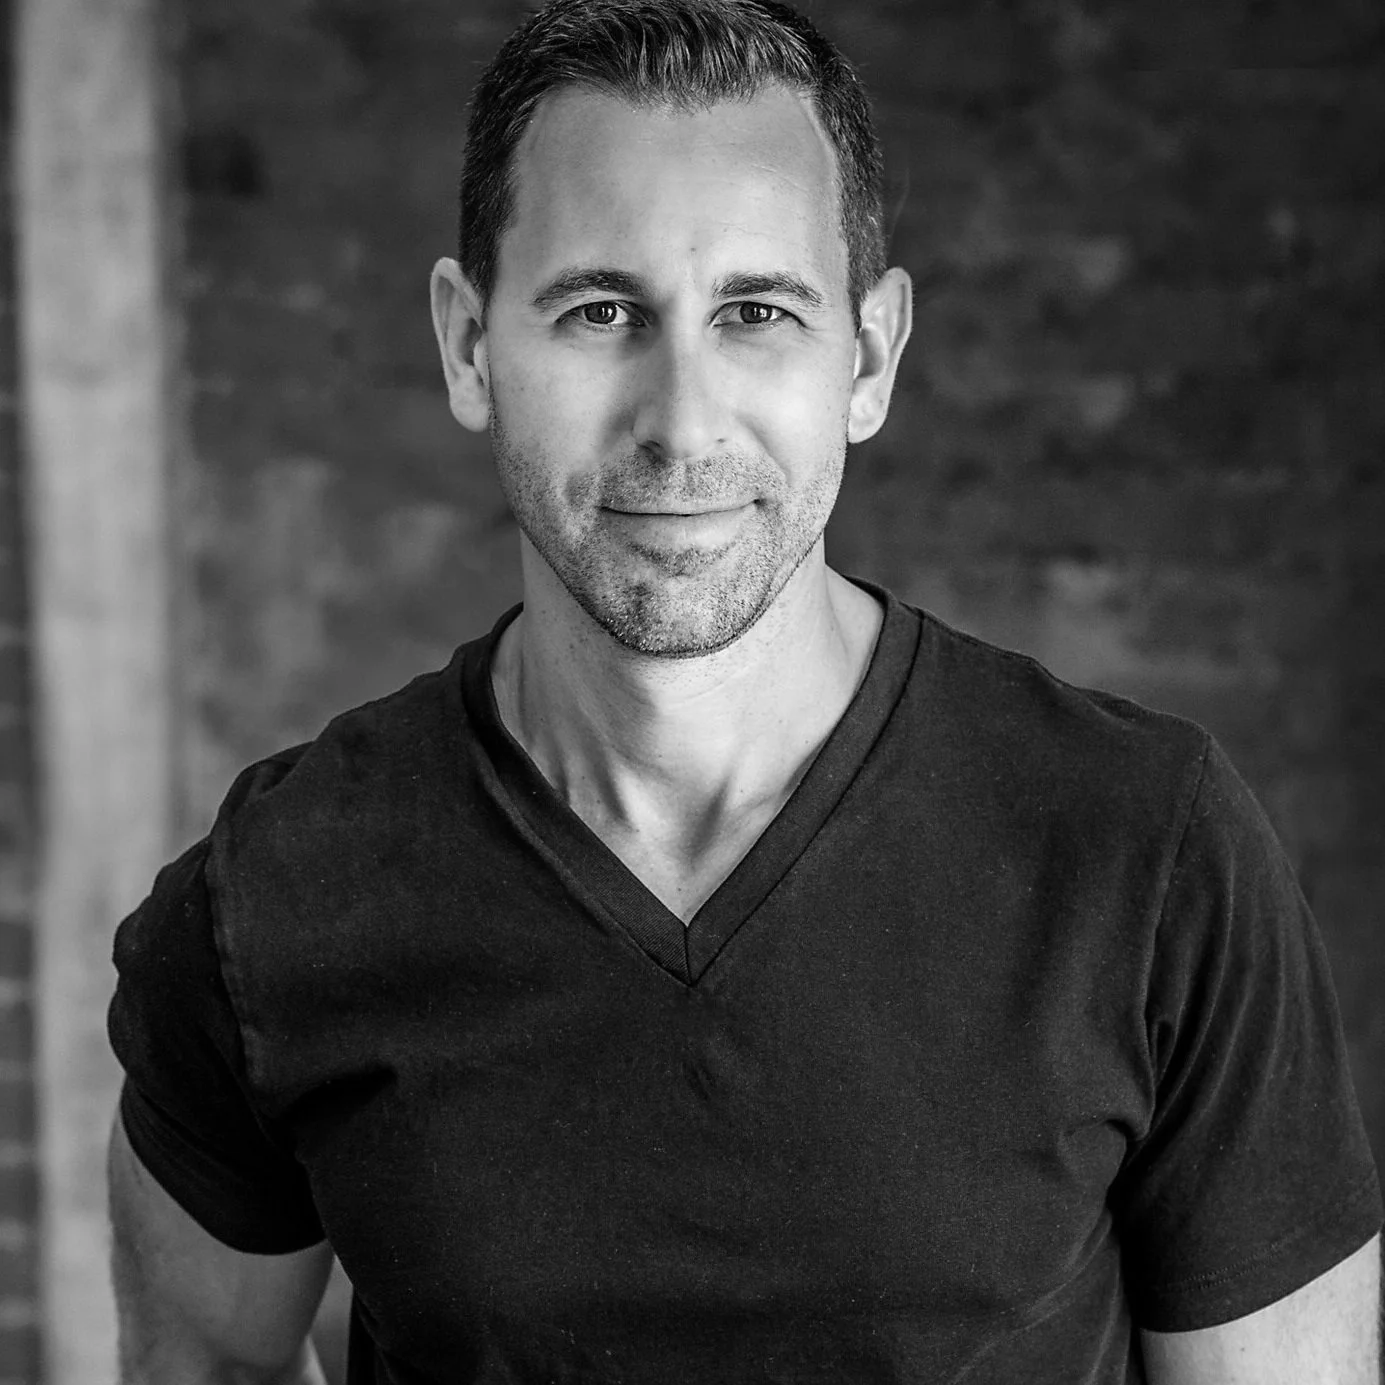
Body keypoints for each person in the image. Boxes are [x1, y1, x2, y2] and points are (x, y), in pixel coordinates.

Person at [106, 0, 1382, 1381]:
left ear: (870, 358)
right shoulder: (279, 893)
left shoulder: (1148, 852)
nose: (683, 422)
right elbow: (204, 1360)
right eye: (600, 312)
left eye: (758, 313)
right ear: (470, 347)